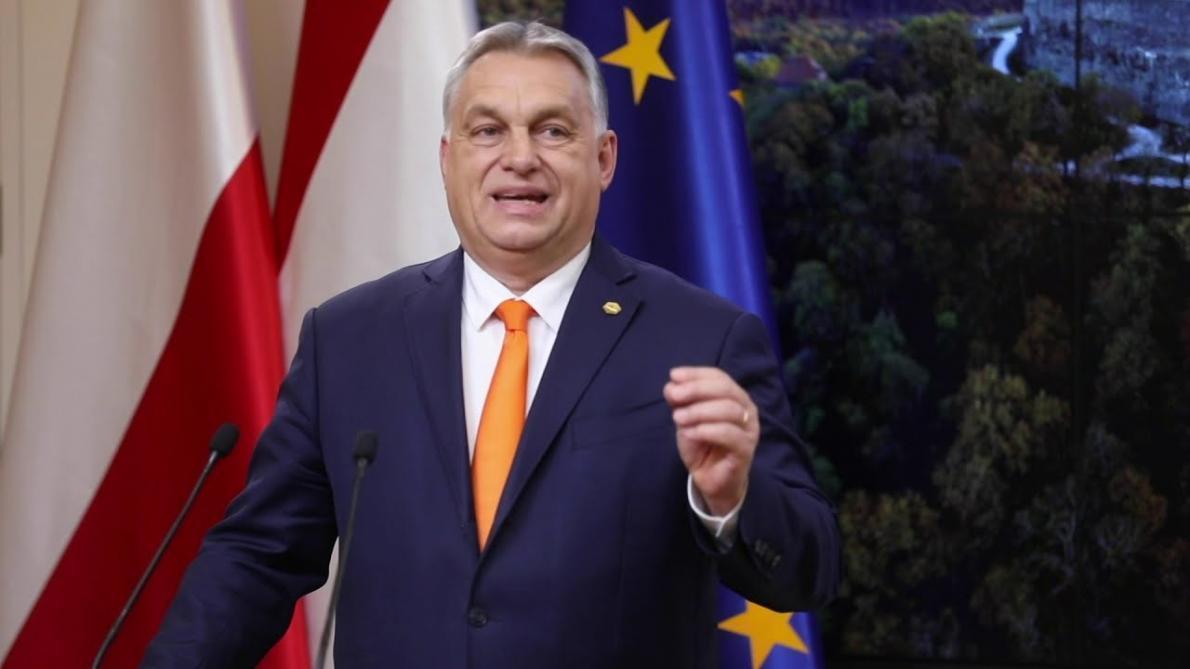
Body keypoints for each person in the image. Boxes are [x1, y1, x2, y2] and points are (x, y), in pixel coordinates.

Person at [145, 21, 838, 668]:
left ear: (604, 158)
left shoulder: (704, 338)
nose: (519, 158)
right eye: (488, 131)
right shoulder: (349, 338)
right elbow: (259, 556)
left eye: (553, 130)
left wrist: (733, 499)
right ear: (448, 160)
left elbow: (811, 568)